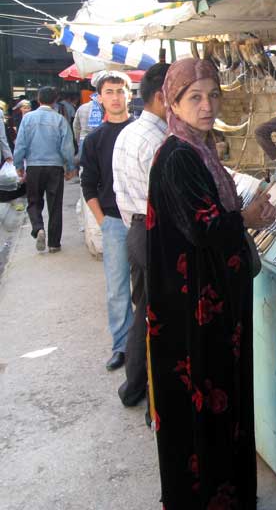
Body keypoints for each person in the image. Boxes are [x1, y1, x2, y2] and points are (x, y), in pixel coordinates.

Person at [146, 58, 276, 508]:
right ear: (173, 103)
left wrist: (239, 216)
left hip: (213, 310)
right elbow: (203, 228)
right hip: (194, 319)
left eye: (213, 95)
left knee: (225, 407)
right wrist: (247, 217)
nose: (207, 106)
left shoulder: (199, 150)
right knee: (205, 410)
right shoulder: (178, 155)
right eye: (195, 97)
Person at [112, 63, 170, 408]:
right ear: (164, 97)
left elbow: (121, 194)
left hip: (135, 230)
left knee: (144, 311)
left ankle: (134, 387)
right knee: (159, 316)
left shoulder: (129, 133)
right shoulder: (157, 141)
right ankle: (153, 400)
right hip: (152, 232)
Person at [80, 71, 134, 372]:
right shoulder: (95, 140)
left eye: (120, 91)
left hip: (142, 221)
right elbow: (89, 185)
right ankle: (122, 347)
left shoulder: (142, 132)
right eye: (109, 92)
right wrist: (102, 222)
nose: (115, 97)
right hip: (113, 221)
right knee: (117, 289)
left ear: (129, 94)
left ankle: (150, 343)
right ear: (99, 98)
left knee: (149, 284)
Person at [12, 87, 76, 251]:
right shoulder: (60, 120)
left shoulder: (27, 119)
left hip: (34, 167)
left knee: (34, 202)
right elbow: (67, 147)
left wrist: (19, 166)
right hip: (55, 168)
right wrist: (70, 167)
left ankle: (38, 228)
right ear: (55, 101)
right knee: (55, 205)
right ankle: (54, 244)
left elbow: (20, 145)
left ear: (38, 99)